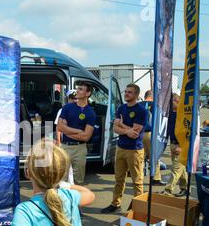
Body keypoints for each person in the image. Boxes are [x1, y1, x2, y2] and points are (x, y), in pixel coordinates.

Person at [101, 84, 147, 214]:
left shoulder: (142, 111)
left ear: (136, 95)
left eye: (130, 92)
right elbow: (115, 129)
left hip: (135, 150)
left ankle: (139, 207)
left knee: (137, 181)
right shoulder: (121, 108)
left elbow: (135, 133)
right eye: (126, 92)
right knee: (118, 179)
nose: (126, 94)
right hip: (120, 148)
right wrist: (126, 130)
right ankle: (115, 203)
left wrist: (121, 124)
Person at [57, 82, 96, 185]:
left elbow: (86, 137)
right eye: (77, 88)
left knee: (79, 181)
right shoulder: (67, 108)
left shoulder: (90, 113)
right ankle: (62, 201)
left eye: (81, 89)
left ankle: (76, 201)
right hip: (65, 147)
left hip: (80, 148)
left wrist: (67, 131)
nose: (77, 91)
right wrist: (78, 131)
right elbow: (60, 127)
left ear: (88, 93)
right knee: (61, 180)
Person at [162, 93, 187, 197]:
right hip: (173, 144)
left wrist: (182, 147)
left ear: (177, 101)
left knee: (176, 169)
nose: (168, 105)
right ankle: (184, 188)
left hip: (181, 146)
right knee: (181, 169)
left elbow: (188, 132)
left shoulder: (184, 115)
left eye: (170, 102)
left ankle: (168, 190)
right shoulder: (172, 114)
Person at [140, 90, 166, 186]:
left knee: (140, 158)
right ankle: (156, 179)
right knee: (155, 157)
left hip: (139, 134)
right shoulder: (156, 105)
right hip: (152, 133)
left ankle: (139, 178)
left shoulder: (138, 105)